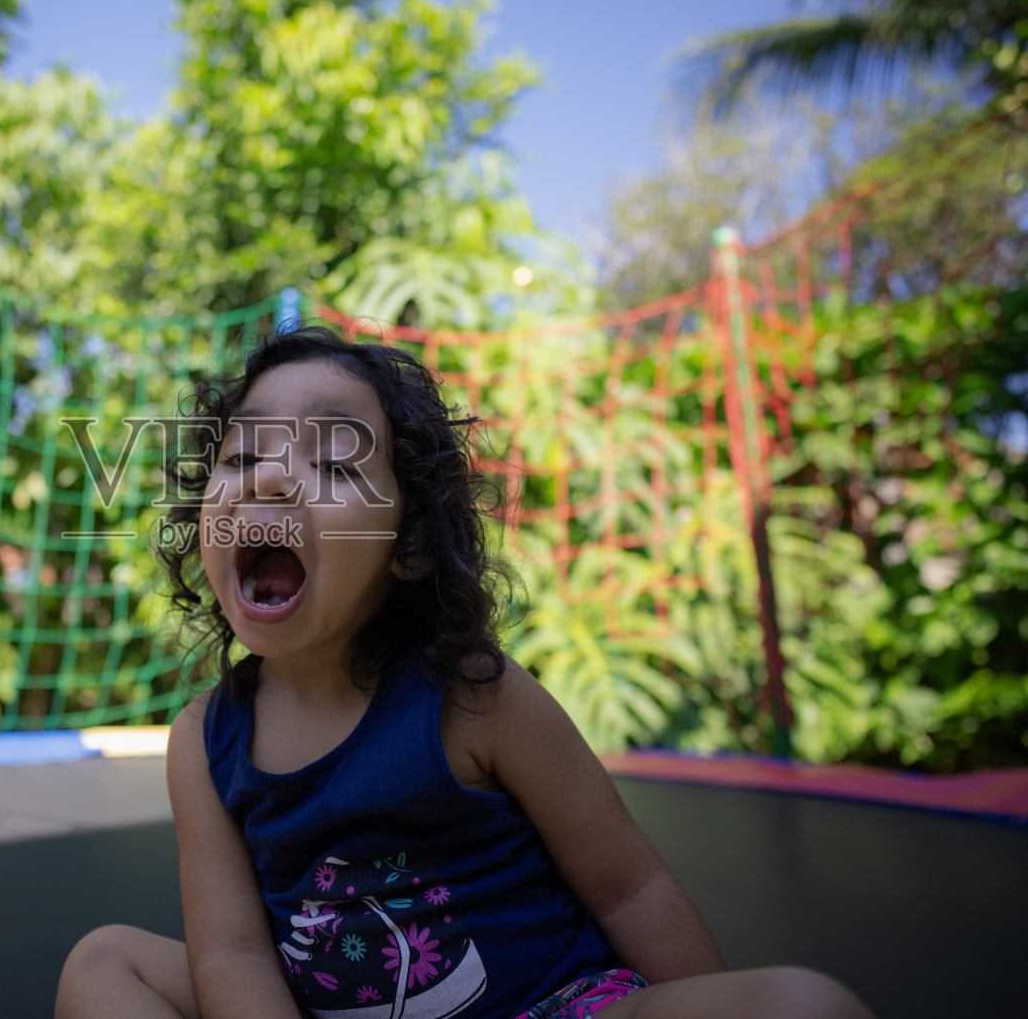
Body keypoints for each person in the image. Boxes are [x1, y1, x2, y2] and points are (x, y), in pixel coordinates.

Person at [55, 326, 876, 1019]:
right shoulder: (204, 739)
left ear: (407, 548)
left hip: (549, 1006)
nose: (269, 478)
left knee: (806, 1004)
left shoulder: (472, 694)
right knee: (104, 963)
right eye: (243, 457)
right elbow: (231, 953)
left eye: (335, 465)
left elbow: (631, 888)